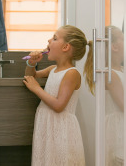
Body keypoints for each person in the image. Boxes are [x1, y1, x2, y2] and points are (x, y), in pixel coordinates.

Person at [23, 25, 94, 166]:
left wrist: (36, 89)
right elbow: (31, 76)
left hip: (61, 130)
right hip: (48, 126)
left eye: (54, 38)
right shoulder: (53, 69)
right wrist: (31, 63)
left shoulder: (71, 73)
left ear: (65, 47)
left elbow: (59, 105)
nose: (49, 40)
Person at [105, 25, 124, 166]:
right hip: (117, 128)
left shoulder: (123, 70)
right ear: (114, 46)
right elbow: (125, 105)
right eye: (123, 39)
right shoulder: (110, 74)